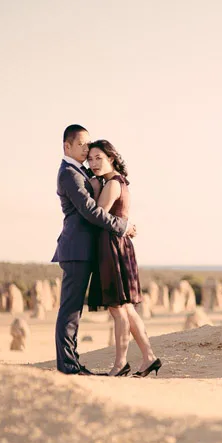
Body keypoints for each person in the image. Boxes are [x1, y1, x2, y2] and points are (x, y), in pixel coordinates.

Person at [52, 125, 136, 375]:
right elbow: (90, 211)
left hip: (86, 251)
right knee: (70, 310)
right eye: (82, 145)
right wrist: (122, 226)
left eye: (89, 145)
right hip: (76, 250)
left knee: (75, 311)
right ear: (67, 146)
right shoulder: (68, 173)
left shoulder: (82, 170)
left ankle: (73, 362)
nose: (86, 149)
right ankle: (67, 366)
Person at [86, 139, 162, 378]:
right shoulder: (120, 183)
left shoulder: (111, 185)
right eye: (90, 159)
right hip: (117, 245)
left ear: (111, 157)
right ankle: (149, 357)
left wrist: (95, 189)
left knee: (118, 310)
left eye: (98, 157)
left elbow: (97, 216)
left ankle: (120, 364)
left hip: (111, 248)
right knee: (126, 309)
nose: (93, 163)